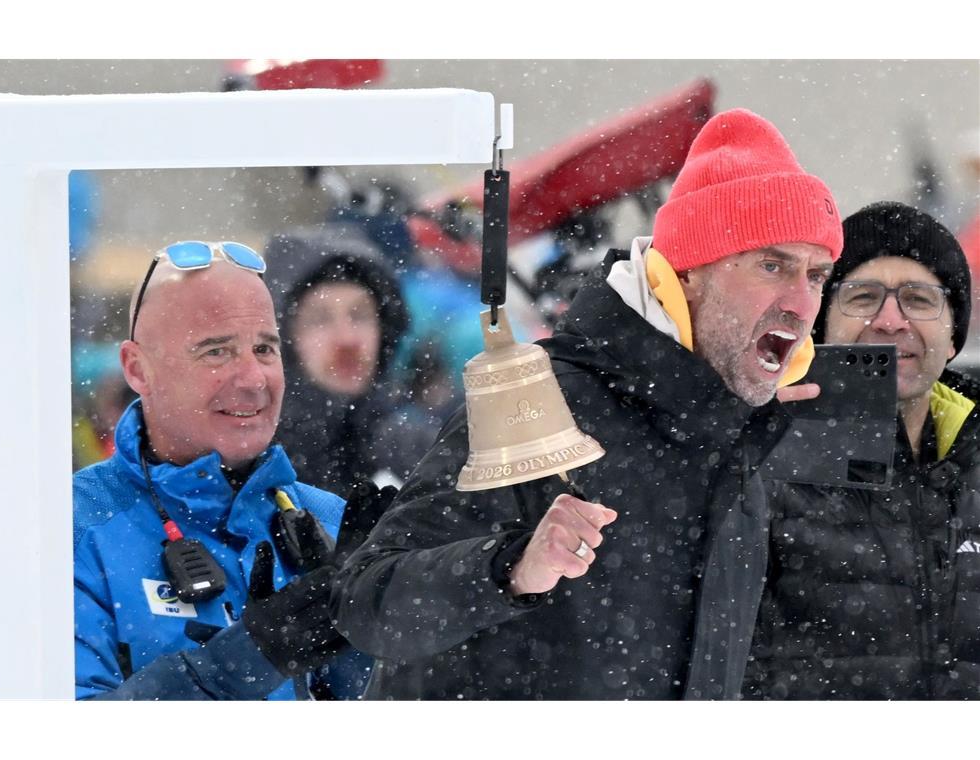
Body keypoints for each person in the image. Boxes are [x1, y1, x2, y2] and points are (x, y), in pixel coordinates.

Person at [330, 108, 844, 699]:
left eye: (817, 275)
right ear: (688, 274)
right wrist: (512, 566)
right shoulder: (543, 399)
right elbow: (368, 600)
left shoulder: (751, 437)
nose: (801, 302)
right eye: (772, 265)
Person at [72, 240, 375, 700]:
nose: (253, 378)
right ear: (138, 369)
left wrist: (373, 643)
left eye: (264, 348)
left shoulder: (331, 521)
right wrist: (241, 663)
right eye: (216, 351)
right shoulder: (73, 529)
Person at [745, 202, 980, 699]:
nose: (890, 321)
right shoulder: (758, 452)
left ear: (953, 335)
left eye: (918, 299)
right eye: (863, 296)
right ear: (822, 325)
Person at [264, 224, 438, 492]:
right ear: (282, 337)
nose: (347, 340)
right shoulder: (252, 466)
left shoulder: (420, 454)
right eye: (319, 319)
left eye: (360, 315)